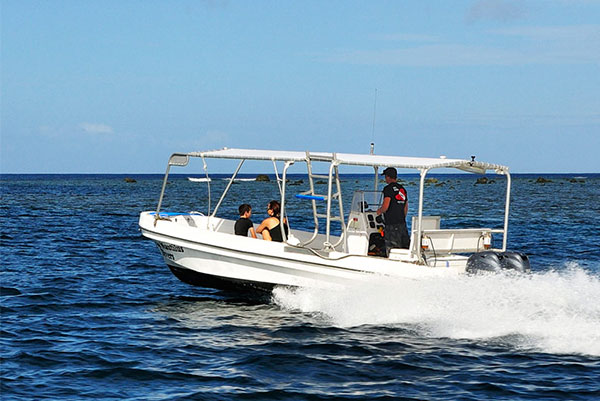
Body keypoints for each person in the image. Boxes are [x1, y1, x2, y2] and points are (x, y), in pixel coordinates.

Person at [376, 167, 410, 255]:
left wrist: (380, 211)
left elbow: (386, 206)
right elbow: (405, 207)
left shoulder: (388, 189)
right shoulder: (402, 189)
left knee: (392, 248)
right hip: (402, 223)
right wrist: (402, 217)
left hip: (391, 224)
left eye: (385, 177)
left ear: (388, 177)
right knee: (404, 247)